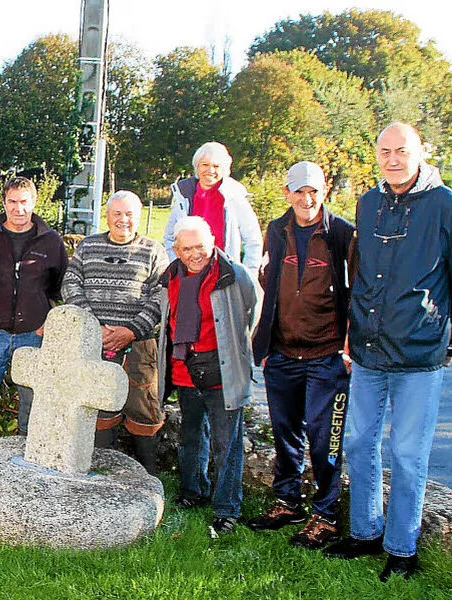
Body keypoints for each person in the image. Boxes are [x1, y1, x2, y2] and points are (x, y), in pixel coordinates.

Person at [323, 123, 452, 581]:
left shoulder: (444, 204)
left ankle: (402, 549)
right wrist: (350, 331)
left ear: (420, 152)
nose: (393, 159)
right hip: (368, 349)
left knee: (408, 454)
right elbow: (361, 273)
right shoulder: (369, 202)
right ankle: (365, 531)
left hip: (419, 352)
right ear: (376, 154)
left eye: (402, 151)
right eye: (385, 151)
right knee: (359, 443)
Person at [246, 161, 355, 550]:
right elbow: (267, 282)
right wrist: (264, 342)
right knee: (285, 433)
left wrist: (348, 347)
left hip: (327, 355)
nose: (306, 199)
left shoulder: (342, 233)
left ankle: (325, 516)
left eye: (314, 191)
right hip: (282, 353)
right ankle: (287, 502)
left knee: (325, 441)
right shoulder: (276, 230)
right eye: (299, 191)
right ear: (287, 193)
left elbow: (357, 291)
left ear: (324, 191)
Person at [157, 215, 257, 534]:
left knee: (226, 444)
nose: (194, 254)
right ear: (176, 250)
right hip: (185, 370)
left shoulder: (233, 274)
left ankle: (227, 509)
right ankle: (193, 491)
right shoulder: (170, 277)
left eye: (200, 246)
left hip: (222, 371)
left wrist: (235, 350)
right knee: (191, 437)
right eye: (186, 249)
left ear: (213, 242)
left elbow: (252, 310)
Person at [62, 190, 169, 473]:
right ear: (107, 216)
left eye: (129, 214)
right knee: (98, 406)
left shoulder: (153, 251)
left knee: (143, 407)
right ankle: (98, 473)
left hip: (139, 346)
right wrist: (94, 327)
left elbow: (162, 296)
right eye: (117, 213)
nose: (123, 220)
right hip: (93, 345)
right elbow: (70, 284)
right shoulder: (88, 246)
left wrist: (131, 330)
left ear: (139, 216)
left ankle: (146, 478)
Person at [0, 176, 69, 441]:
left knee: (32, 398)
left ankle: (29, 448)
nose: (19, 208)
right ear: (4, 203)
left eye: (24, 202)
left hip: (33, 335)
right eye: (12, 202)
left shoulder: (51, 241)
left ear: (35, 202)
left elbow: (63, 287)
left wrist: (48, 323)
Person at [164, 142, 262, 273]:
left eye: (216, 166)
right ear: (197, 167)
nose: (210, 170)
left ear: (225, 169)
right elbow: (169, 237)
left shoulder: (235, 198)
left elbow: (253, 241)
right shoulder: (184, 197)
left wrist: (248, 276)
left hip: (224, 273)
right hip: (190, 273)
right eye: (205, 165)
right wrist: (177, 267)